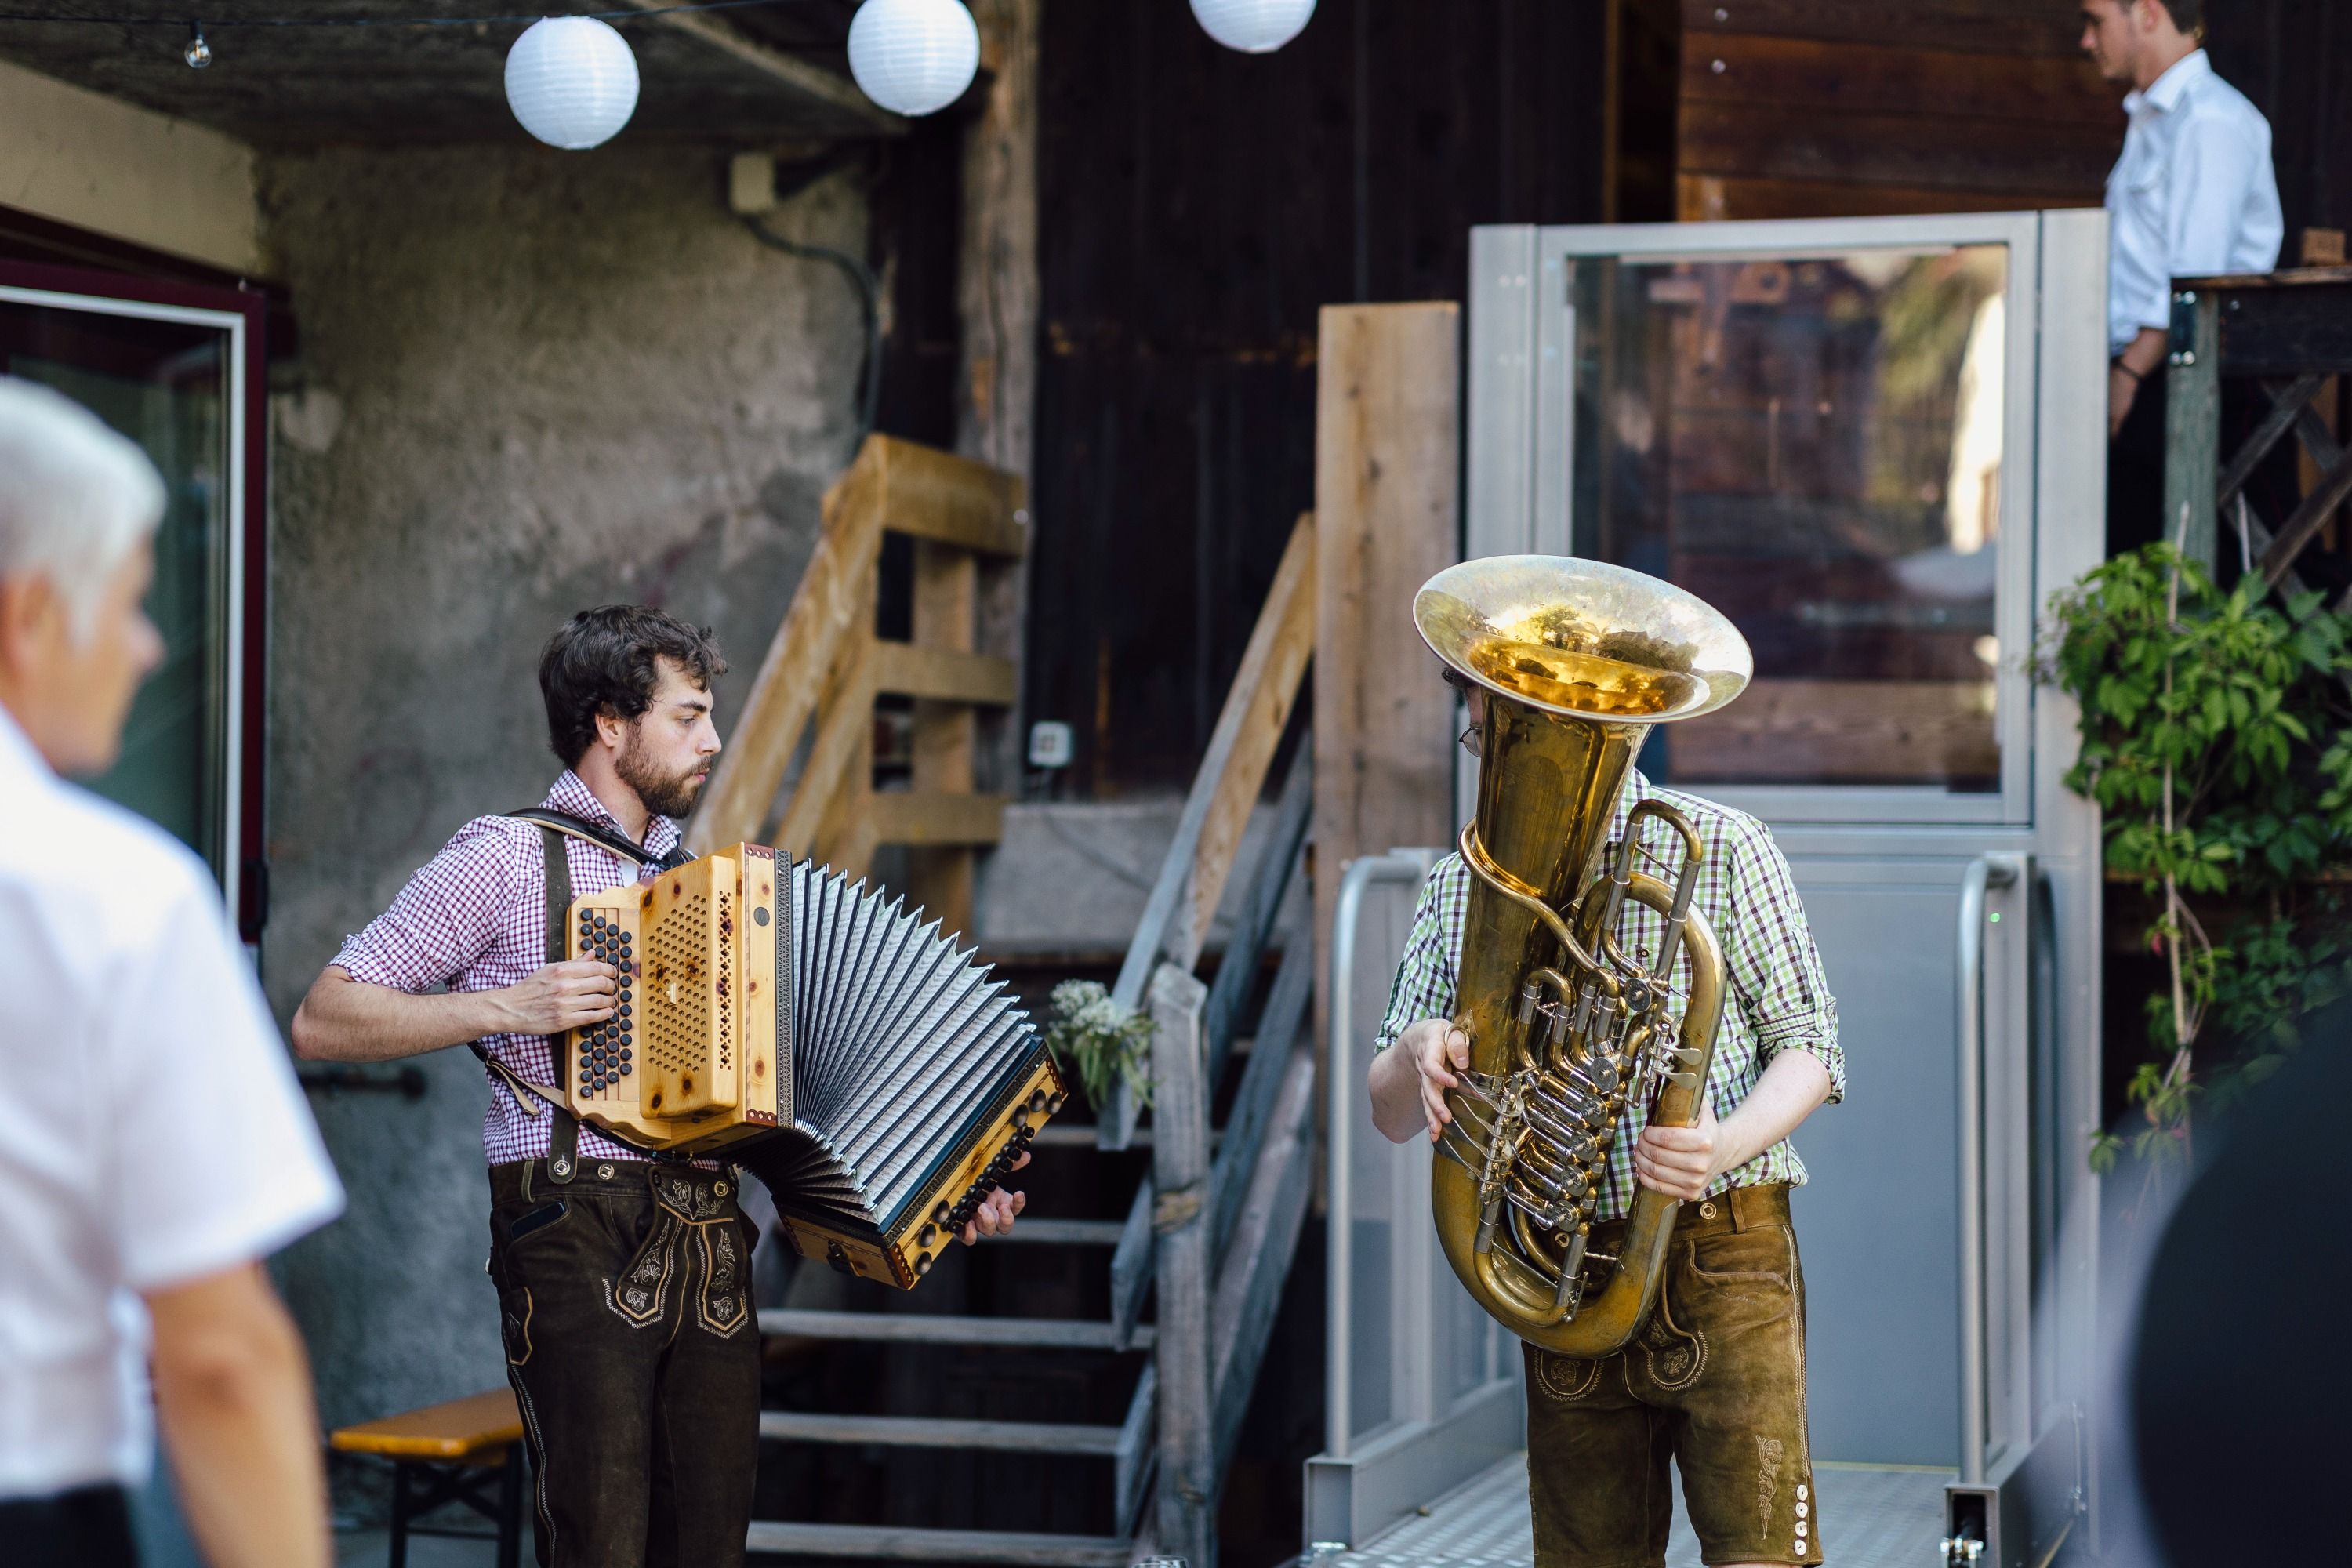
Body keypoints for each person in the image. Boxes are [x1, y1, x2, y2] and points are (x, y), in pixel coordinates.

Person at [289, 604, 1029, 1568]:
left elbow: (794, 1102)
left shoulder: (706, 891)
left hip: (709, 1237)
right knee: (600, 1544)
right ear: (610, 723)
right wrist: (507, 1007)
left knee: (707, 1549)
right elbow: (323, 1013)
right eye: (688, 715)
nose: (712, 739)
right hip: (571, 1227)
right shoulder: (505, 856)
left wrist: (945, 1187)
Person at [1367, 666, 1841, 1568]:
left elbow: (1812, 1044)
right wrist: (1414, 1052)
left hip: (1724, 1247)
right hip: (1560, 1262)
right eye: (1486, 735)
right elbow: (1389, 1112)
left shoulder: (1725, 844)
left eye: (1509, 728)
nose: (1495, 752)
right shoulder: (1455, 888)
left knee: (1766, 1554)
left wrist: (1721, 1142)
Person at [0, 377, 344, 1568]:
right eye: (133, 604)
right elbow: (216, 1353)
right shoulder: (108, 898)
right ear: (29, 617)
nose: (149, 647)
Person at [2080, 0, 2283, 555]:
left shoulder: (2210, 119)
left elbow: (2195, 277)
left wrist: (2127, 376)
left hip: (2191, 381)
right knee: (2133, 570)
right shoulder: (2155, 118)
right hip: (2151, 377)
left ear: (2147, 12)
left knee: (2180, 574)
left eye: (2096, 21)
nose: (2087, 41)